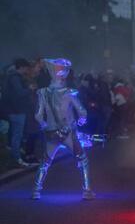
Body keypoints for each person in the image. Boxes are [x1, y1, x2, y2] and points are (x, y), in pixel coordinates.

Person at [32, 58, 95, 200]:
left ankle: (36, 190)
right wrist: (80, 121)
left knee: (45, 163)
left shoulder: (42, 92)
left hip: (51, 133)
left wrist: (44, 125)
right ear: (64, 74)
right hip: (68, 133)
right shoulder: (70, 92)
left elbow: (38, 115)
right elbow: (82, 112)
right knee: (83, 160)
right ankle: (87, 191)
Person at [3, 58, 33, 167]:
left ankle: (17, 156)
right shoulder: (15, 78)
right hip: (17, 110)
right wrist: (30, 89)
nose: (27, 70)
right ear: (21, 67)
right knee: (17, 135)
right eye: (26, 68)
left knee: (17, 134)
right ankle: (17, 159)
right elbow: (19, 93)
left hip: (14, 110)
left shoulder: (11, 77)